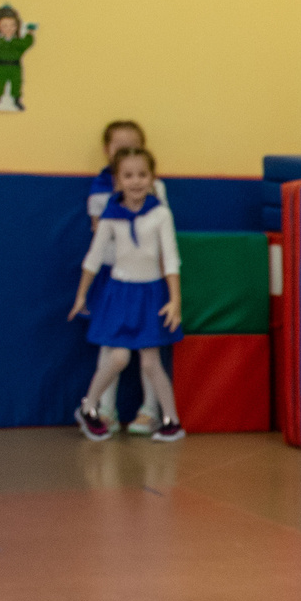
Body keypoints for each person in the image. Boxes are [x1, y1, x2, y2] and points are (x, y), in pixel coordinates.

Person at [68, 145, 183, 443]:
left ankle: (172, 421)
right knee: (117, 358)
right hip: (119, 294)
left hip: (151, 294)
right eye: (128, 175)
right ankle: (89, 407)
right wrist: (81, 295)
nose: (136, 181)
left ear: (152, 178)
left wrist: (174, 300)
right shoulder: (111, 215)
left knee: (150, 361)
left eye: (142, 174)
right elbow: (93, 258)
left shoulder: (160, 214)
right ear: (118, 180)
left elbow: (171, 259)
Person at [86, 120, 171, 436]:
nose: (124, 152)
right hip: (114, 278)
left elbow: (161, 236)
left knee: (150, 346)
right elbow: (101, 235)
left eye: (132, 145)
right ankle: (103, 409)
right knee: (111, 347)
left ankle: (151, 410)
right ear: (108, 151)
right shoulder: (101, 190)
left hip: (148, 279)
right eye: (118, 147)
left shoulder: (156, 189)